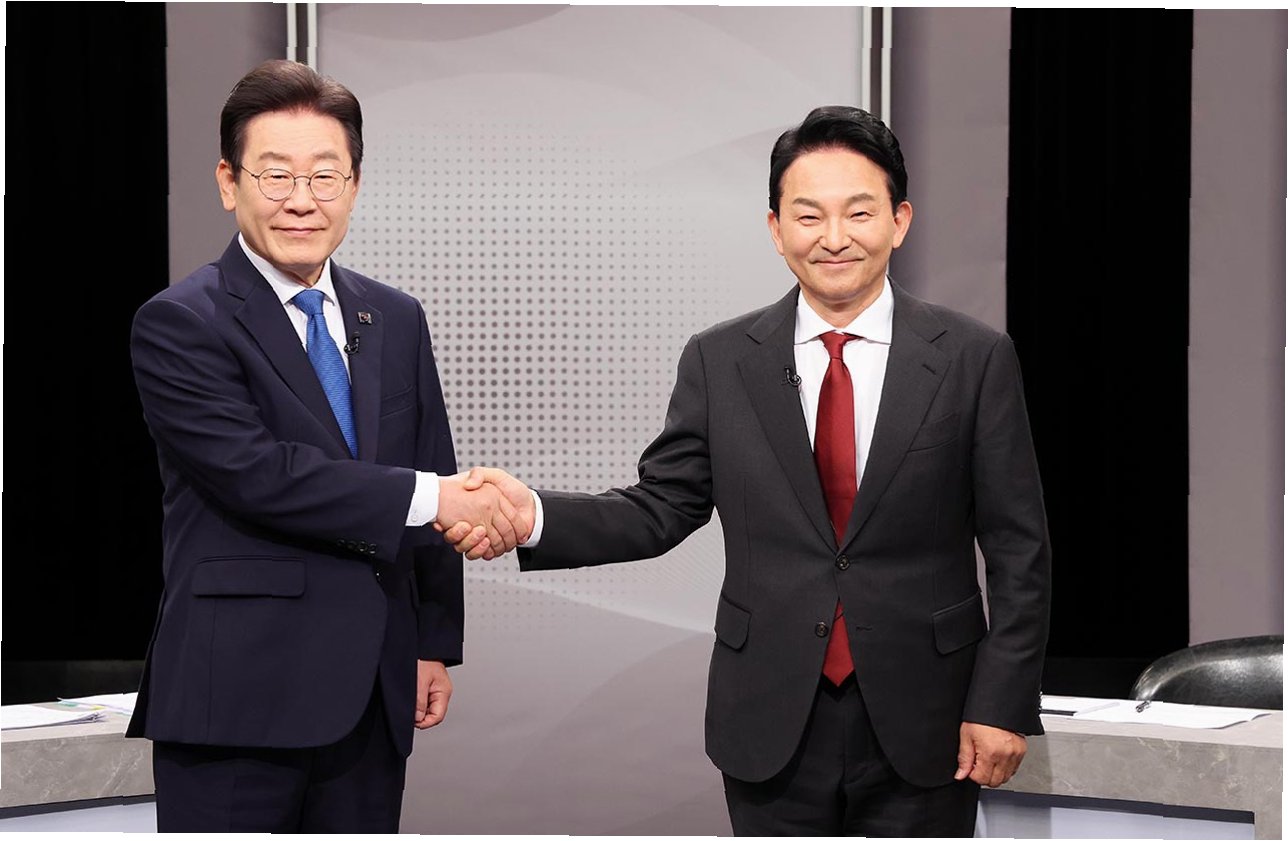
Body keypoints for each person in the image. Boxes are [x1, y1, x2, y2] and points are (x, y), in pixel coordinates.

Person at [445, 106, 1052, 837]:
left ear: (899, 221)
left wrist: (1001, 701)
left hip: (931, 714)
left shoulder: (973, 358)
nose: (834, 237)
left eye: (859, 212)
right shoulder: (721, 359)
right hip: (771, 712)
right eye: (809, 215)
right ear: (775, 229)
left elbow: (1019, 548)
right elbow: (661, 506)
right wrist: (532, 516)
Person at [127, 59, 519, 833]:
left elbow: (430, 461)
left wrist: (432, 641)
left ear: (355, 185)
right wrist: (438, 496)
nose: (301, 200)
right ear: (228, 182)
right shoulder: (180, 321)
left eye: (324, 176)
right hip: (237, 698)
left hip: (373, 690)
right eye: (275, 175)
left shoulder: (394, 315)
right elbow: (259, 474)